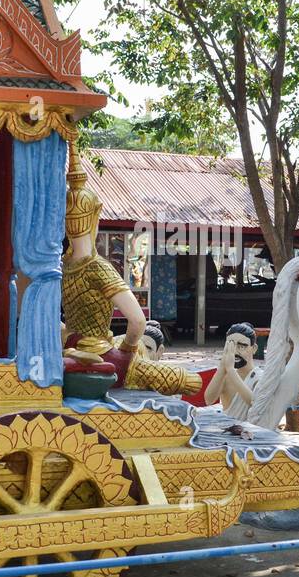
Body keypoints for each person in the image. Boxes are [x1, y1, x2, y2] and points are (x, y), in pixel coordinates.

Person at [61, 152, 201, 397]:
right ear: (94, 216)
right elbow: (137, 322)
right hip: (104, 356)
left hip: (70, 346)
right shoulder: (98, 267)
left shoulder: (62, 266)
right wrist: (126, 351)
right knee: (185, 380)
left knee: (137, 348)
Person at [202, 322, 263, 419]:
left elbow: (255, 404)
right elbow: (208, 400)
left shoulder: (259, 377)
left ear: (254, 348)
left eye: (241, 346)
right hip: (229, 429)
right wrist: (222, 367)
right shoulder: (225, 376)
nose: (235, 351)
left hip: (252, 430)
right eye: (231, 346)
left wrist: (231, 370)